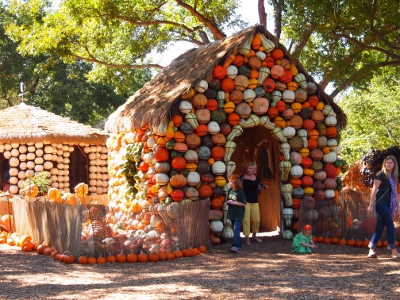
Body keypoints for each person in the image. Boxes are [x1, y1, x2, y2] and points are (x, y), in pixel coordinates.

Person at [367, 155, 400, 259]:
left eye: (390, 162)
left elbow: (395, 193)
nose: (388, 164)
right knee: (390, 225)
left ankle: (371, 250)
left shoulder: (393, 177)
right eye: (387, 162)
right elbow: (374, 190)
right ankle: (394, 251)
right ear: (384, 164)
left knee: (380, 228)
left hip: (389, 205)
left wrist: (397, 208)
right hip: (381, 204)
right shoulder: (381, 174)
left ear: (394, 164)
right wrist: (371, 205)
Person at [241, 162, 266, 245]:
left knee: (257, 219)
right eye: (248, 168)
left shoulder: (257, 179)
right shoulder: (243, 177)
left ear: (254, 169)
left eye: (250, 168)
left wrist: (260, 189)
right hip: (245, 201)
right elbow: (238, 187)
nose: (249, 170)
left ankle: (254, 236)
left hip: (255, 201)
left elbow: (258, 190)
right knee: (246, 220)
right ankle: (247, 238)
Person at [226, 174, 247, 253]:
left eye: (230, 181)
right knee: (235, 229)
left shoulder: (240, 192)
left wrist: (233, 203)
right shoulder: (230, 191)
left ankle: (235, 246)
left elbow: (244, 203)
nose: (229, 183)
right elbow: (228, 199)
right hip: (232, 213)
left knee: (236, 229)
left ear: (235, 182)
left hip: (239, 213)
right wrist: (228, 202)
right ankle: (239, 246)